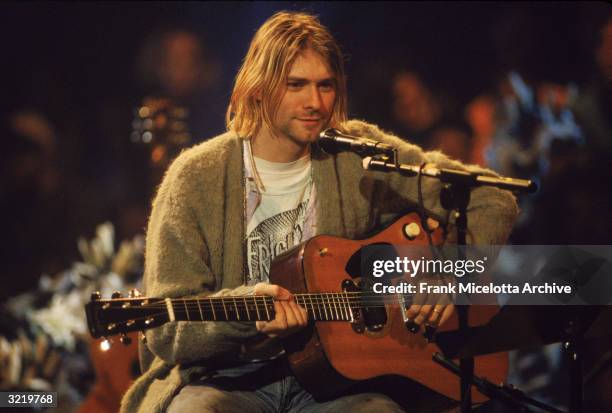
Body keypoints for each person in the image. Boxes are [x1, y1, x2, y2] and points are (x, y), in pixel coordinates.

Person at [120, 11, 518, 413]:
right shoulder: (195, 176)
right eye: (296, 85)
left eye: (325, 86)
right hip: (225, 381)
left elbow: (491, 198)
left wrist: (448, 273)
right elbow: (166, 328)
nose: (315, 103)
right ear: (259, 88)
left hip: (339, 386)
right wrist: (247, 315)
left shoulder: (355, 154)